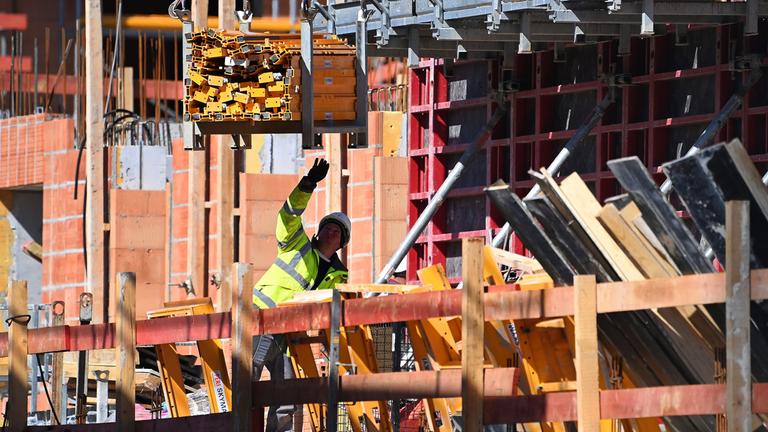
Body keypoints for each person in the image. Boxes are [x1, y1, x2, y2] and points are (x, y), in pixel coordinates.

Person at [252, 158, 351, 432]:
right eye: (328, 227)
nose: (332, 232)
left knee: (286, 394)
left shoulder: (337, 278)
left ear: (342, 243)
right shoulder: (297, 244)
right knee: (248, 378)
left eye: (338, 232)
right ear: (318, 232)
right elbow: (288, 216)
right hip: (261, 319)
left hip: (286, 335)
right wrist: (307, 185)